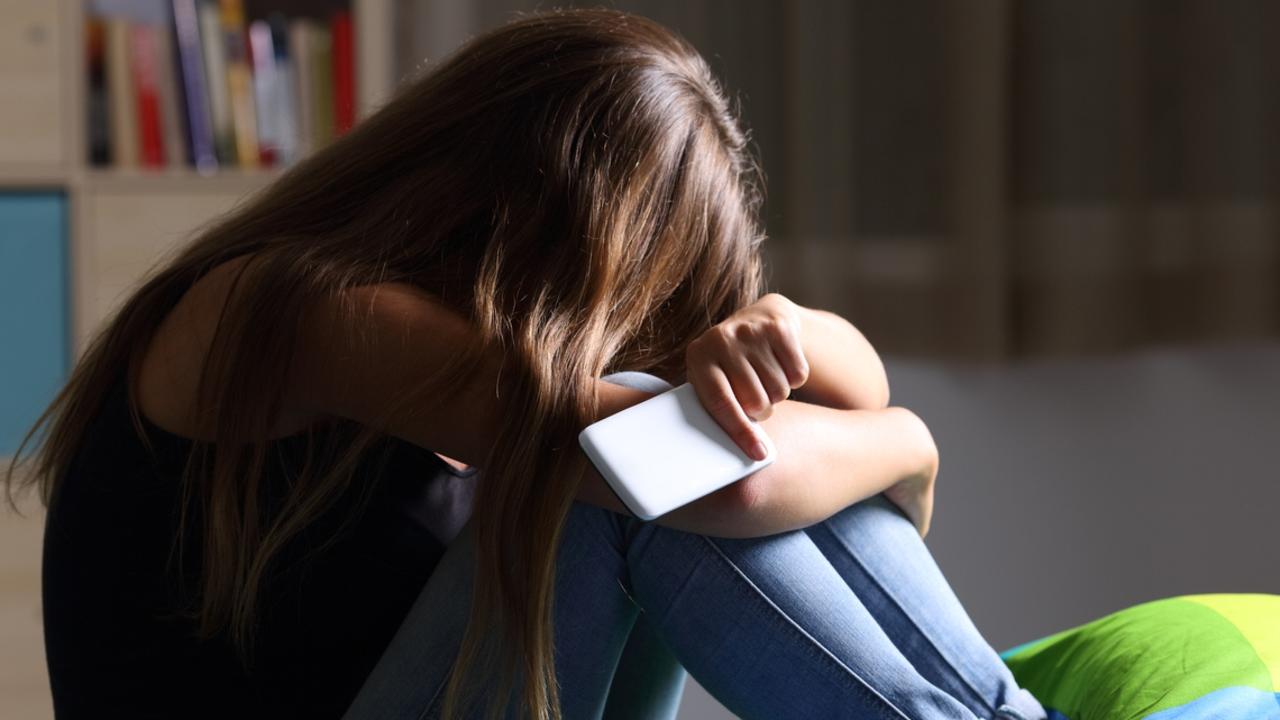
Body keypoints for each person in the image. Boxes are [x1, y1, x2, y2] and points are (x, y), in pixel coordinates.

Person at [5, 8, 1046, 720]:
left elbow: (836, 389)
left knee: (668, 433)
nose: (625, 328)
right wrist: (907, 442)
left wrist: (778, 328)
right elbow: (720, 480)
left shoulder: (471, 338)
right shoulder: (302, 311)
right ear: (542, 220)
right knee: (629, 462)